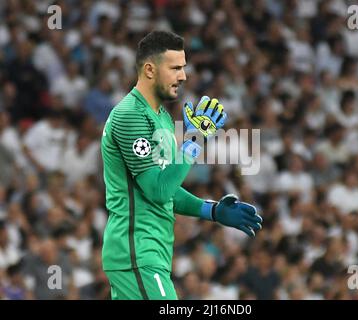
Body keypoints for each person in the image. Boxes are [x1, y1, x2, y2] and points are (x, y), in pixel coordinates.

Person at [100, 30, 263, 300]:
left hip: (150, 253)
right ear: (150, 69)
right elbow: (158, 190)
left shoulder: (161, 117)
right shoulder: (130, 115)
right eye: (175, 68)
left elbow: (167, 189)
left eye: (183, 68)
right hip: (137, 251)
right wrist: (194, 140)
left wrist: (211, 211)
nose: (183, 76)